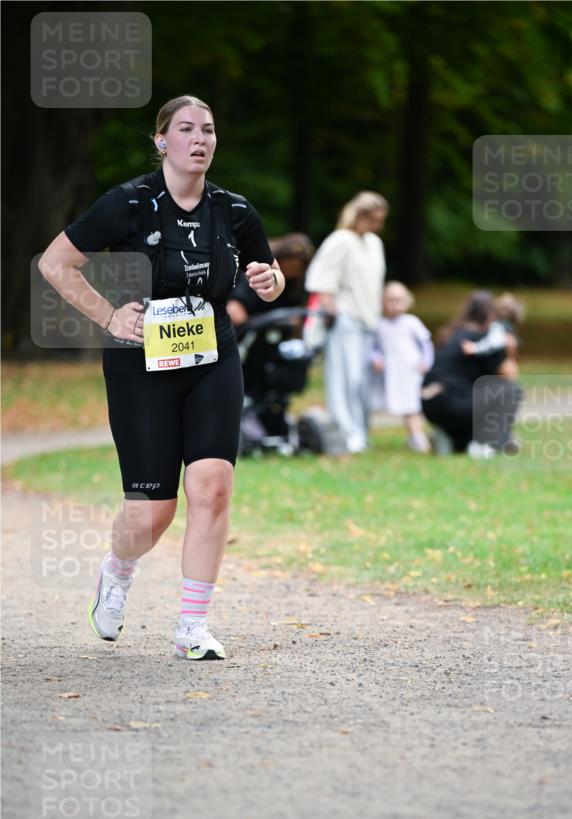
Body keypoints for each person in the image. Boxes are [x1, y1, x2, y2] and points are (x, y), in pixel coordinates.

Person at [38, 95, 285, 658]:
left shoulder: (236, 211)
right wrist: (107, 315)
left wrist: (270, 284)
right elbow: (55, 263)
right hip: (139, 362)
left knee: (212, 488)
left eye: (209, 130)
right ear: (161, 141)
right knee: (153, 510)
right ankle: (118, 570)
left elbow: (266, 276)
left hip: (212, 357)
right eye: (186, 129)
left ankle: (192, 628)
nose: (200, 139)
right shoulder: (128, 202)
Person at [305, 191, 388, 453]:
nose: (378, 225)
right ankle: (345, 432)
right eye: (374, 219)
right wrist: (332, 314)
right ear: (360, 216)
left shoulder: (374, 243)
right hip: (345, 320)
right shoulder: (340, 240)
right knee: (345, 379)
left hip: (368, 320)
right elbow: (321, 281)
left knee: (362, 382)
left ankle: (360, 431)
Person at [421, 291, 522, 456]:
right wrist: (510, 350)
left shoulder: (450, 335)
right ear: (491, 315)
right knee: (510, 391)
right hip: (456, 402)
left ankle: (449, 437)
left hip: (429, 404)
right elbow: (509, 376)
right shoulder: (483, 340)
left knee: (476, 397)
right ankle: (488, 442)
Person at [371, 281, 434, 453]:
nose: (394, 304)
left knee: (411, 405)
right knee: (397, 403)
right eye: (390, 299)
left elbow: (426, 343)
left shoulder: (411, 322)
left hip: (410, 370)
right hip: (392, 371)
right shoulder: (379, 324)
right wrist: (375, 358)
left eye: (399, 300)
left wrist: (426, 362)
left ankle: (417, 436)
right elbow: (374, 347)